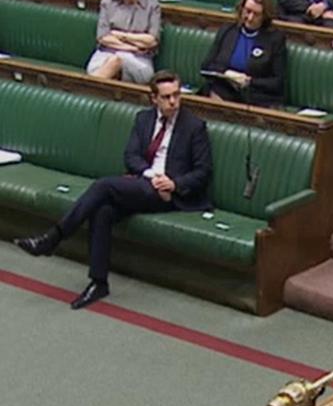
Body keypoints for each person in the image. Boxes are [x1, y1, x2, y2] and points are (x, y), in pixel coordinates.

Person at [13, 71, 212, 310]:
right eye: (166, 97)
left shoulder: (194, 126)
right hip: (144, 183)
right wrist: (150, 174)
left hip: (170, 194)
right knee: (103, 211)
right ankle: (99, 282)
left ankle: (53, 238)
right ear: (154, 99)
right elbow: (131, 156)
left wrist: (175, 184)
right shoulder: (143, 119)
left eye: (176, 95)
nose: (173, 102)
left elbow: (203, 171)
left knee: (104, 186)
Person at [200, 0, 287, 108]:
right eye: (248, 11)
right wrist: (227, 73)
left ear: (265, 16)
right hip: (225, 89)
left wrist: (249, 81)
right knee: (214, 90)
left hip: (256, 95)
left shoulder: (275, 39)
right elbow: (206, 66)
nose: (250, 18)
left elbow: (277, 82)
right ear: (241, 9)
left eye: (256, 14)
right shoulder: (228, 30)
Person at [85, 0, 161, 84]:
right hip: (105, 55)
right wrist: (133, 46)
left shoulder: (152, 6)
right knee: (113, 61)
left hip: (139, 62)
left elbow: (152, 40)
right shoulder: (107, 4)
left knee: (117, 60)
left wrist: (120, 35)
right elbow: (103, 37)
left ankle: (89, 89)